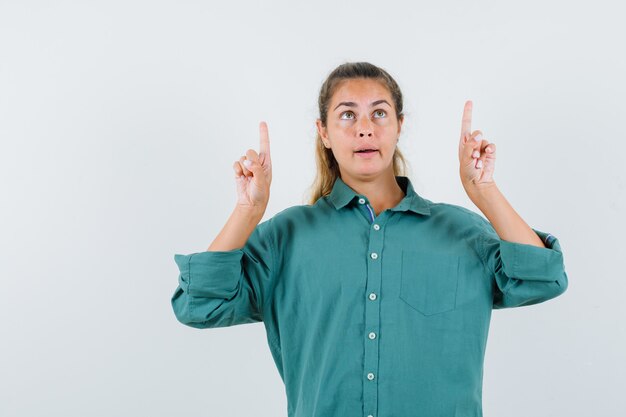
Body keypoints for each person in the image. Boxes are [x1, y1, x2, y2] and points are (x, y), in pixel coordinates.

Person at [170, 62, 568, 417]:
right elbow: (198, 306)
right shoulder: (284, 238)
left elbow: (543, 278)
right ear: (323, 132)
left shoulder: (462, 233)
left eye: (379, 113)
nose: (365, 127)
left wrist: (484, 192)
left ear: (399, 125)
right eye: (347, 115)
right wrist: (247, 212)